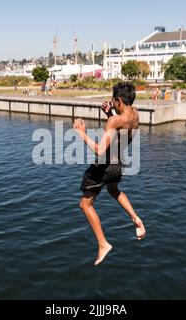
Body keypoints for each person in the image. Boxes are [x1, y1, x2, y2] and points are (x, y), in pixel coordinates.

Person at [73, 82, 146, 266]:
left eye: (113, 101)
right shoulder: (136, 114)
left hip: (104, 166)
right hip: (118, 164)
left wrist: (81, 133)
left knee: (85, 204)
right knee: (114, 190)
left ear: (119, 100)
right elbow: (121, 130)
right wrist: (109, 113)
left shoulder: (115, 120)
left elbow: (99, 150)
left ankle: (103, 244)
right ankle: (136, 219)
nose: (112, 103)